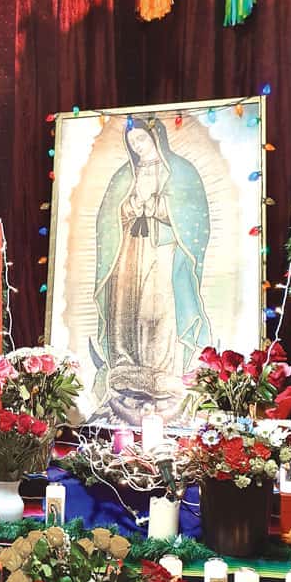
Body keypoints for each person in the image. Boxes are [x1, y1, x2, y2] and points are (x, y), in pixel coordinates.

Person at [91, 117, 212, 423]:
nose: (138, 147)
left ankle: (161, 372)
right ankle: (127, 368)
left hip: (163, 250)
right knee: (127, 309)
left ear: (156, 137)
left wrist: (160, 208)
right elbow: (106, 217)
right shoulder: (124, 175)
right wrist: (128, 208)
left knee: (158, 309)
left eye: (142, 140)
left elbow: (195, 216)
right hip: (129, 251)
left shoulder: (180, 172)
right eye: (133, 144)